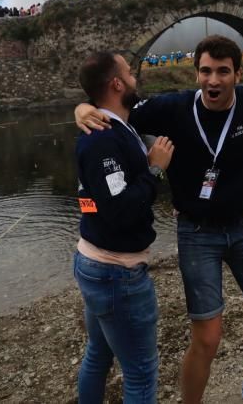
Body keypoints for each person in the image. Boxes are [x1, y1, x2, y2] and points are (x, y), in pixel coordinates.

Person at [76, 12, 243, 404]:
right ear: (196, 73)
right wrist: (81, 110)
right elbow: (115, 111)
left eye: (222, 71)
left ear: (237, 73)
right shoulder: (173, 108)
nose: (212, 80)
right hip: (197, 232)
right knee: (208, 338)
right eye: (205, 71)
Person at [74, 52, 175, 403]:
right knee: (141, 373)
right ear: (117, 84)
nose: (136, 78)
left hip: (95, 261)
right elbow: (120, 210)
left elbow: (102, 200)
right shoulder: (103, 138)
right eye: (130, 73)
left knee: (98, 355)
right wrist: (155, 169)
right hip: (116, 272)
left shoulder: (113, 125)